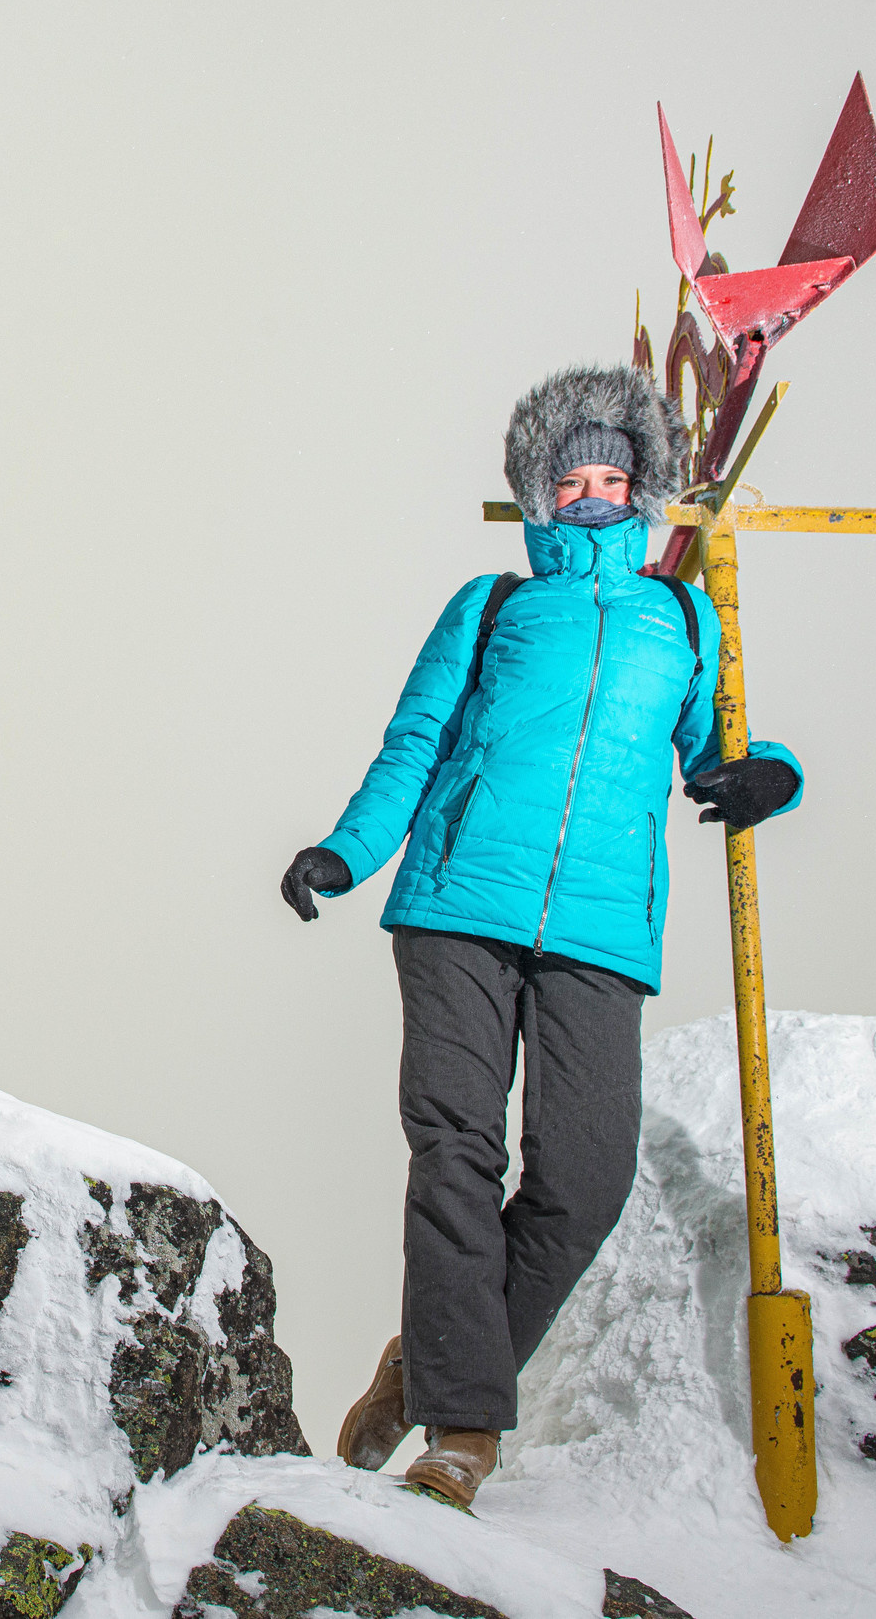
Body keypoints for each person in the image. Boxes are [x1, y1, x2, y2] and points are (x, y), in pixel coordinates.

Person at [279, 363, 803, 1507]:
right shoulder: (492, 605)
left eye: (615, 476)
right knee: (455, 1153)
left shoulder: (683, 614)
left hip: (603, 930)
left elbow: (713, 752)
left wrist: (767, 777)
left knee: (584, 1175)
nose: (593, 495)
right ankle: (461, 1434)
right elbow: (413, 741)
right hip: (455, 907)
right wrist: (346, 851)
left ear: (644, 489)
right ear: (538, 492)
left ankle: (421, 1365)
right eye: (571, 479)